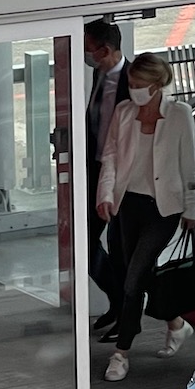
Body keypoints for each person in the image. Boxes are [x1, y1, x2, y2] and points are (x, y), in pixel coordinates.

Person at [96, 52, 195, 380]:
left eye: (140, 85)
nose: (134, 89)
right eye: (131, 83)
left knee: (132, 280)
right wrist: (106, 195)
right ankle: (176, 324)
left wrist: (192, 209)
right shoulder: (124, 112)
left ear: (157, 85)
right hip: (129, 205)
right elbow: (110, 156)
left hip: (163, 208)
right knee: (137, 273)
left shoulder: (180, 115)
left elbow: (189, 165)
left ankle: (121, 352)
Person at [84, 21, 127, 334]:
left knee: (121, 246)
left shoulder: (133, 80)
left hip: (122, 176)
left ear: (105, 50)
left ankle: (126, 313)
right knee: (85, 245)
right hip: (95, 169)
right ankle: (117, 300)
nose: (86, 54)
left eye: (89, 48)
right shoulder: (98, 74)